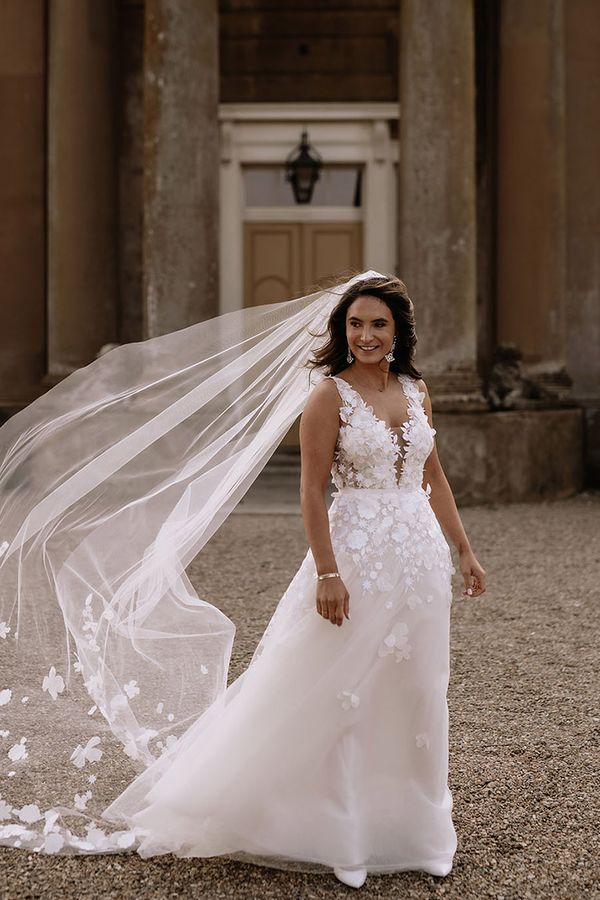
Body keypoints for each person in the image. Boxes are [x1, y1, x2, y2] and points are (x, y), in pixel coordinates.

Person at [0, 271, 485, 890]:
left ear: (398, 330)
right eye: (355, 323)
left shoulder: (417, 391)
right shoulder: (328, 397)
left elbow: (432, 477)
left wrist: (463, 550)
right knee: (342, 692)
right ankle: (341, 833)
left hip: (418, 561)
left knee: (416, 689)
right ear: (342, 329)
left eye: (378, 324)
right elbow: (311, 492)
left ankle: (414, 830)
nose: (365, 334)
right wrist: (328, 572)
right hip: (355, 554)